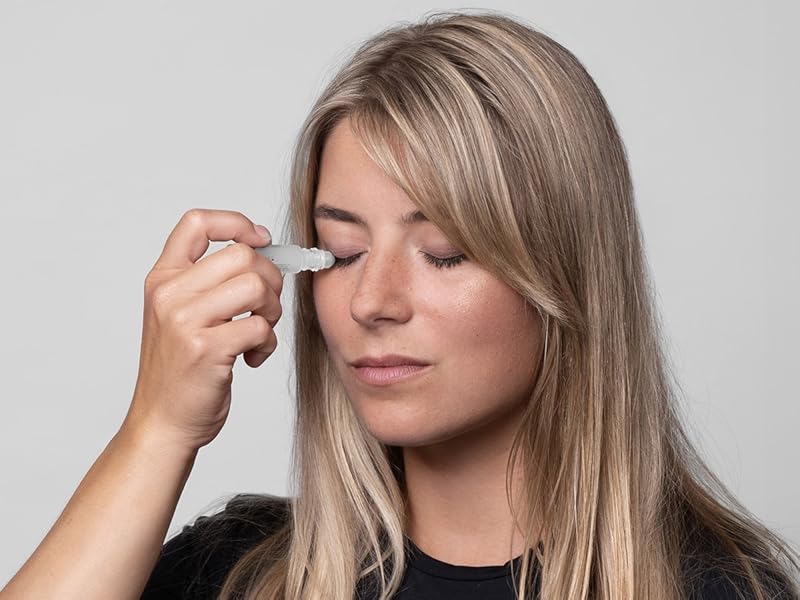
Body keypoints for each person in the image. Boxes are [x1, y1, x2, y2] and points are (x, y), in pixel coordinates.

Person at [3, 9, 798, 600]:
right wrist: (157, 431)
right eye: (341, 253)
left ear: (564, 272)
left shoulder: (721, 590)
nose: (371, 301)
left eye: (444, 252)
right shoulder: (239, 573)